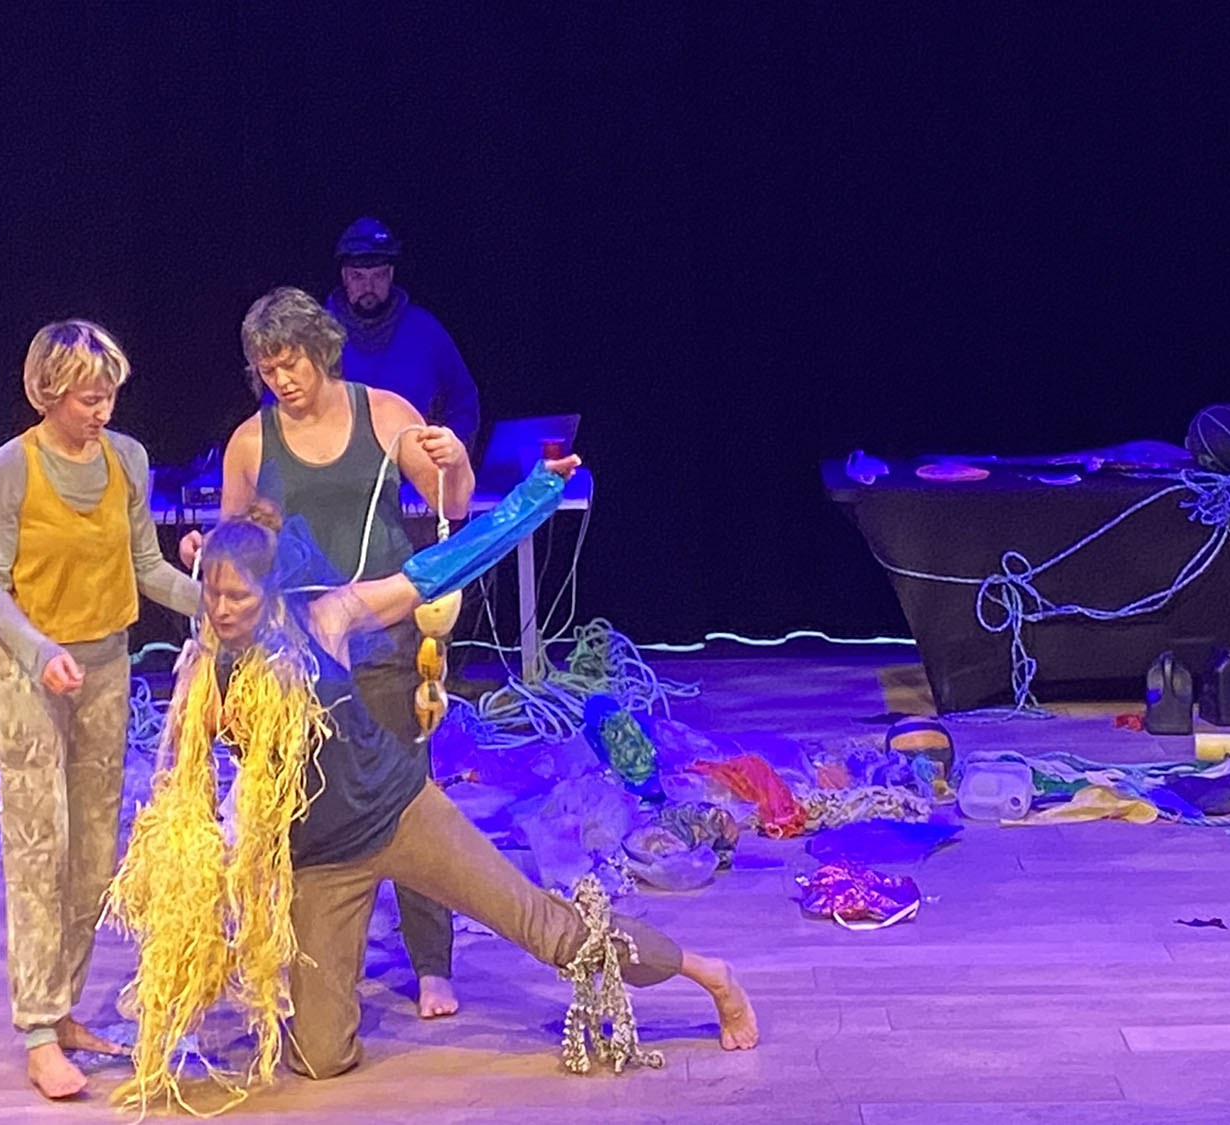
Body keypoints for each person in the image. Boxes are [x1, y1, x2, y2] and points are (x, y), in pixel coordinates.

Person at [111, 456, 755, 1109]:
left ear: (273, 591)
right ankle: (334, 979)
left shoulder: (324, 621)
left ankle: (708, 973)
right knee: (319, 1056)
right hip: (321, 861)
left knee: (547, 929)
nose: (220, 609)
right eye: (212, 594)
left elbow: (437, 570)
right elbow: (186, 790)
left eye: (238, 596)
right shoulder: (204, 670)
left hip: (400, 813)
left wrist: (534, 495)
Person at [180, 285, 475, 1019]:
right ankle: (295, 960)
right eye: (267, 368)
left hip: (382, 641)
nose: (282, 379)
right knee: (290, 808)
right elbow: (239, 550)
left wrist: (456, 459)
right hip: (291, 655)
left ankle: (432, 963)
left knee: (408, 797)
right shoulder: (253, 441)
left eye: (292, 363)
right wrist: (205, 552)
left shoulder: (385, 413)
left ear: (322, 351)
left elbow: (455, 503)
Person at [0, 319, 199, 1099]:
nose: (101, 410)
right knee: (43, 845)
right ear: (47, 392)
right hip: (32, 673)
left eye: (107, 395)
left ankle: (65, 1004)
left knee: (96, 851)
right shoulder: (8, 471)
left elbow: (146, 567)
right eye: (86, 397)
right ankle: (37, 1026)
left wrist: (218, 601)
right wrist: (41, 651)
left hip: (105, 667)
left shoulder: (126, 459)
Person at [325, 216, 480, 441]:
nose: (368, 287)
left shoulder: (425, 331)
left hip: (412, 466)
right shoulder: (314, 334)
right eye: (358, 277)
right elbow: (278, 410)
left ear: (391, 275)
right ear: (344, 277)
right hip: (331, 469)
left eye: (378, 276)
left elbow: (463, 403)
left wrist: (446, 459)